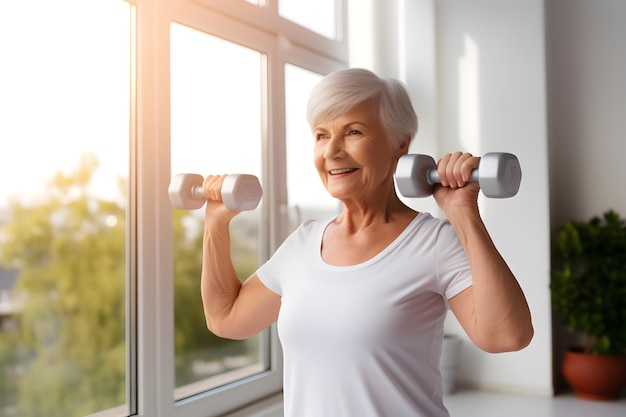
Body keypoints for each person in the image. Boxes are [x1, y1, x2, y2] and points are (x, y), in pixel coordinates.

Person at [200, 68, 534, 417]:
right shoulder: (302, 244)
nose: (332, 151)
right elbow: (226, 318)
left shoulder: (432, 242)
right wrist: (216, 224)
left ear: (399, 144)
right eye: (321, 135)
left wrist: (463, 212)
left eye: (353, 132)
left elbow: (506, 336)